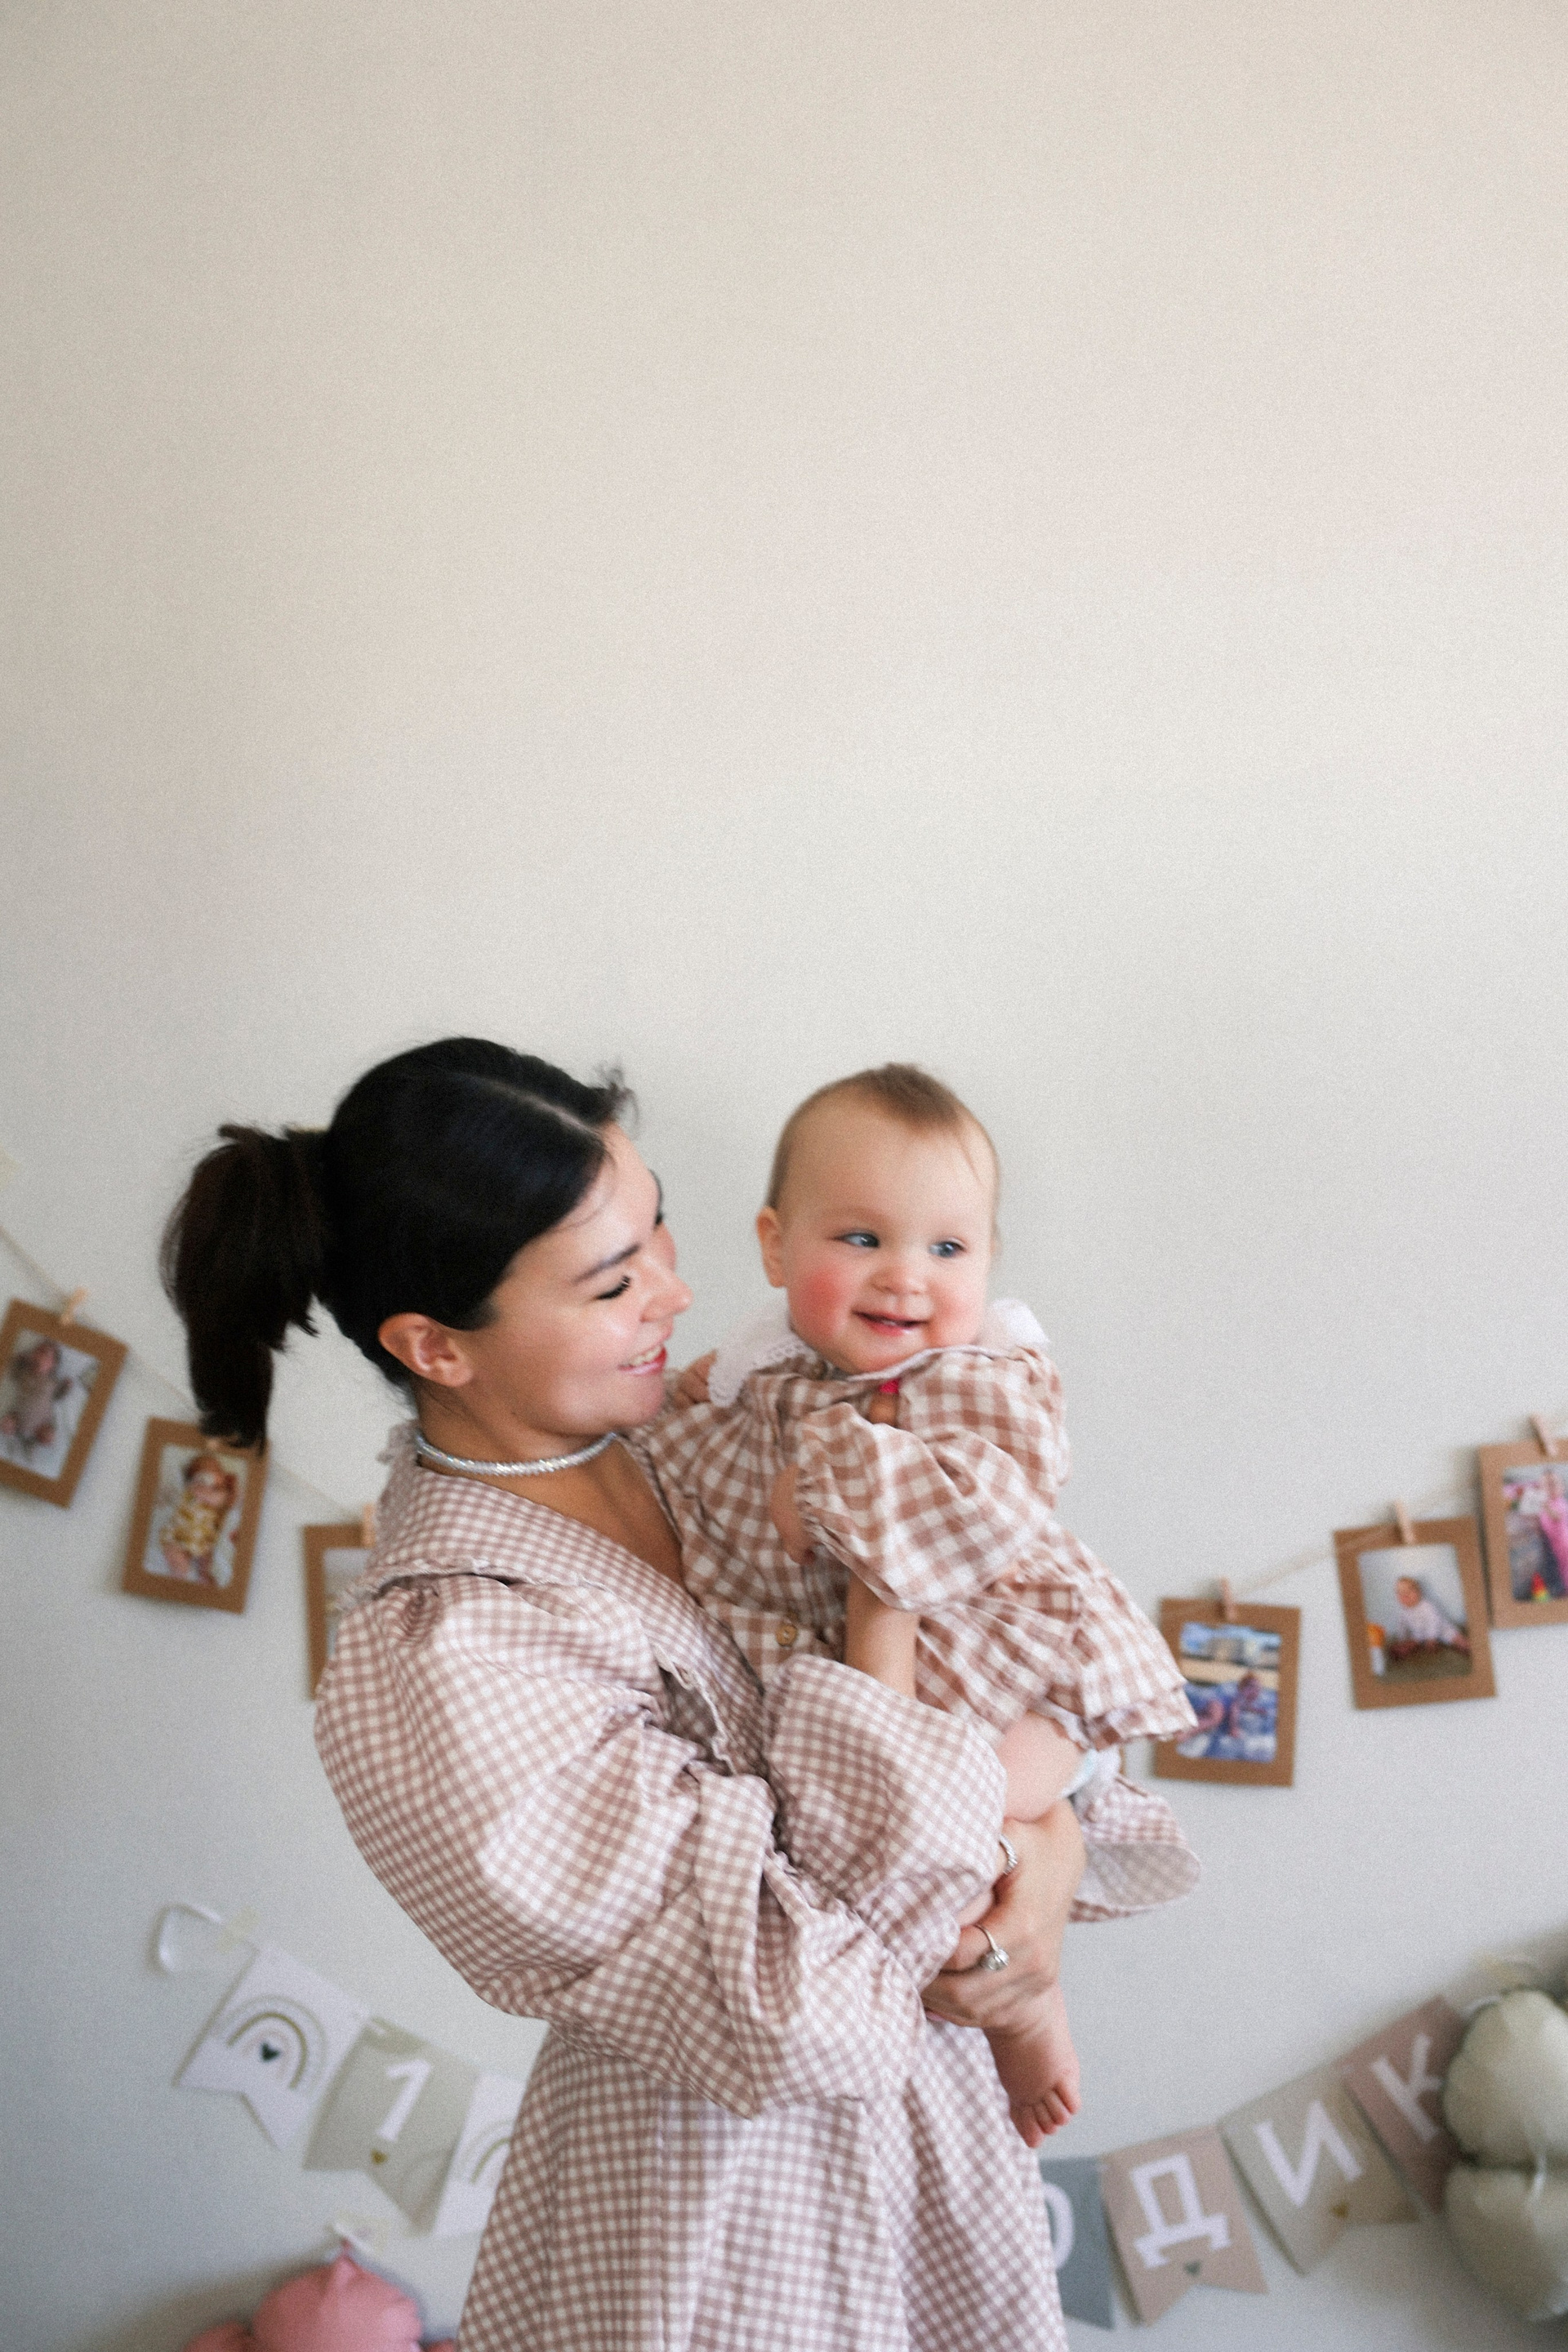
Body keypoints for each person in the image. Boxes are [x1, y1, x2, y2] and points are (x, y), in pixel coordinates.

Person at [162, 1038, 1105, 2352]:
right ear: (436, 1345)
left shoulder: (716, 1436)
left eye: (656, 1228)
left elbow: (1031, 1653)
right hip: (717, 2231)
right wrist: (909, 1645)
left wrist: (1051, 1855)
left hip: (942, 2172)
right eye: (613, 1281)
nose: (677, 1289)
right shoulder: (443, 1657)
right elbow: (798, 2013)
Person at [644, 1064, 1198, 2145]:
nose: (906, 1276)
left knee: (966, 1826)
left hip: (1011, 1681)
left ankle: (1028, 2004)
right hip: (875, 1696)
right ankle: (990, 1998)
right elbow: (687, 1451)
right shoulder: (759, 1375)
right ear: (775, 1247)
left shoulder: (982, 1377)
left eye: (948, 1248)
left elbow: (983, 1508)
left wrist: (829, 1482)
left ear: (988, 1260)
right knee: (901, 1862)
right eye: (861, 1238)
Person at [1383, 1572, 1471, 1662]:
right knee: (1412, 1641)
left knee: (1456, 1638)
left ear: (1419, 1592)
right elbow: (1401, 1625)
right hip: (1421, 1634)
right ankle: (1401, 1650)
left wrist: (1431, 1638)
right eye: (1400, 1593)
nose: (1405, 1596)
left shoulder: (1426, 1606)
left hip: (1441, 1629)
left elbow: (1434, 1621)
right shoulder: (1404, 1611)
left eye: (1409, 1591)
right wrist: (1402, 1639)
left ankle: (1468, 1646)